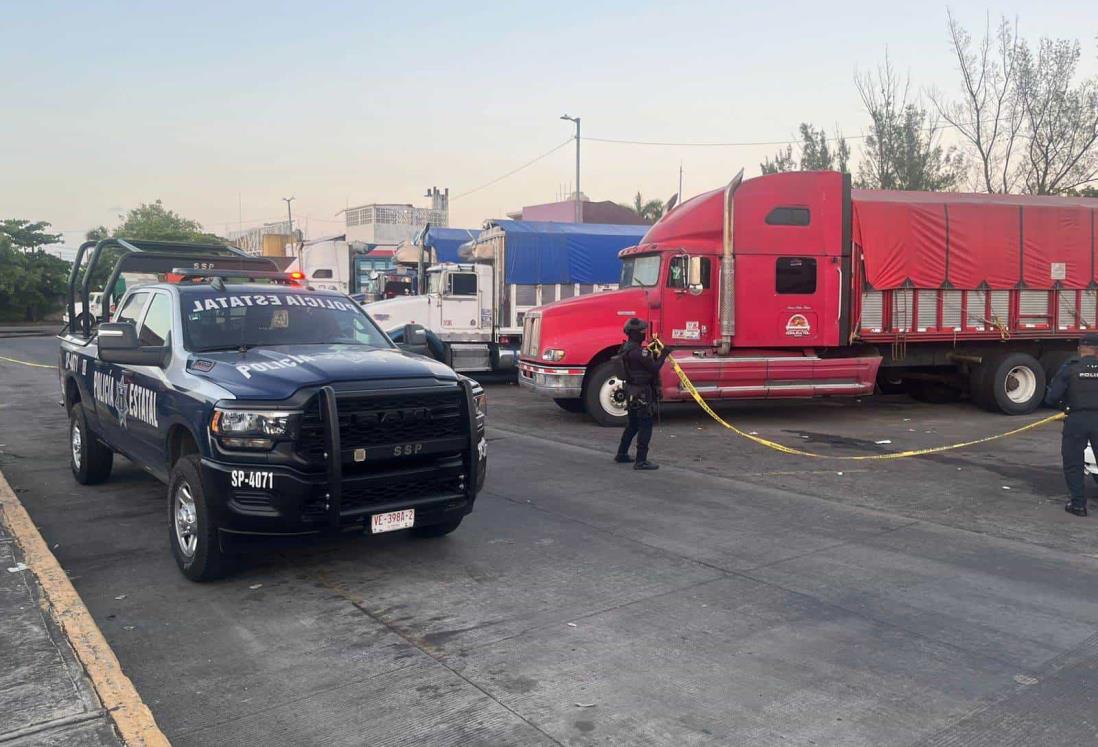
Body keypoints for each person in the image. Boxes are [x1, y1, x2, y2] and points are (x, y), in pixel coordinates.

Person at [1045, 333, 1098, 517]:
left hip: (1076, 420)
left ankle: (1078, 505)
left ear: (1079, 349)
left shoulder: (1069, 369)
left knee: (1073, 463)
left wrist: (1066, 406)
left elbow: (1052, 397)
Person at [614, 317, 671, 470]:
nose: (644, 334)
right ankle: (641, 461)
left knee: (632, 425)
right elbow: (654, 368)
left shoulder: (625, 348)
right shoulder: (639, 352)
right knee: (645, 425)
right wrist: (664, 354)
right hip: (642, 393)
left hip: (631, 391)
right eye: (641, 331)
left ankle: (622, 453)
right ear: (634, 333)